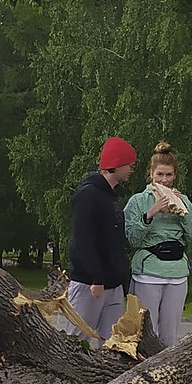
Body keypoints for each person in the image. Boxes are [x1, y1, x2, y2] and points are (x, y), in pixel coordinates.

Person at [123, 141, 192, 346]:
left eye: (169, 175)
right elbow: (131, 238)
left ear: (175, 175)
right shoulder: (138, 201)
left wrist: (183, 210)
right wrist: (151, 213)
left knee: (169, 332)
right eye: (160, 175)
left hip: (177, 273)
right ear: (151, 174)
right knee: (147, 330)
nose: (164, 180)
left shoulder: (183, 199)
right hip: (148, 271)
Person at [67, 136, 137, 344]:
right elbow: (84, 239)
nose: (132, 169)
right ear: (116, 165)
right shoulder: (88, 195)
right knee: (78, 339)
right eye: (129, 164)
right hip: (91, 283)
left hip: (113, 284)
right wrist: (96, 277)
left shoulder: (110, 197)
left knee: (111, 342)